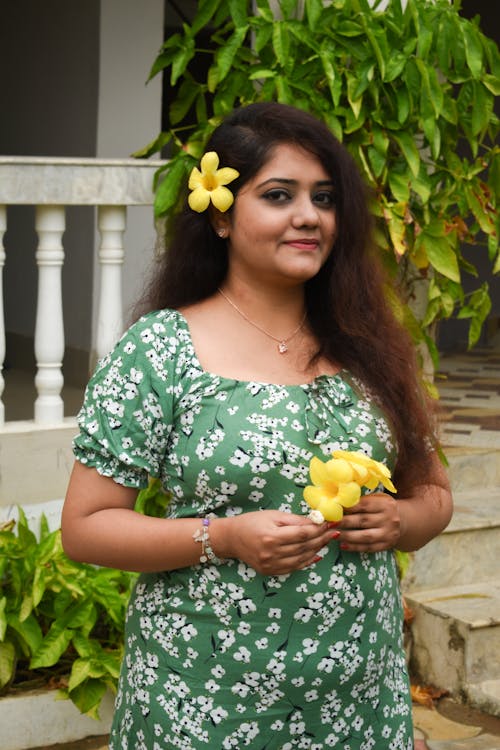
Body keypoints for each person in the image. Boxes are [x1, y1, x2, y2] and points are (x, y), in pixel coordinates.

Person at [62, 102, 453, 750]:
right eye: (279, 195)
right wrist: (226, 536)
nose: (309, 215)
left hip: (356, 702)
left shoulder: (370, 346)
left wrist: (401, 522)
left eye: (324, 198)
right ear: (220, 213)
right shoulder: (161, 349)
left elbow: (434, 494)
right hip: (206, 699)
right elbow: (86, 526)